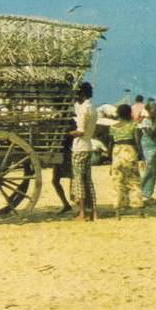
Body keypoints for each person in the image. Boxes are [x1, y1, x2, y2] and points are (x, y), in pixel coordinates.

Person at [70, 82, 99, 221]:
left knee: (79, 181)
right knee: (88, 180)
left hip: (79, 148)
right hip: (88, 146)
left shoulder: (84, 109)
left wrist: (68, 133)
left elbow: (80, 131)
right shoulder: (93, 108)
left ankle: (82, 213)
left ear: (82, 94)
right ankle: (94, 212)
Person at [109, 104, 142, 218]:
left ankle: (117, 211)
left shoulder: (113, 127)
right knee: (134, 182)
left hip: (116, 154)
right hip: (129, 153)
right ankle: (138, 210)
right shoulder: (133, 125)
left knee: (117, 183)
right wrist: (141, 157)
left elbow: (111, 144)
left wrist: (110, 162)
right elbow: (137, 142)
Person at [136, 100, 156, 206]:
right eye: (154, 109)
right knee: (149, 167)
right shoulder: (146, 121)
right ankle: (143, 191)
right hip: (148, 144)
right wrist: (155, 123)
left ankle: (148, 192)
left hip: (155, 144)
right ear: (149, 110)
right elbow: (150, 133)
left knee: (154, 169)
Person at [52, 119, 76, 214]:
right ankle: (66, 204)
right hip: (60, 153)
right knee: (55, 181)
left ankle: (75, 203)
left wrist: (65, 134)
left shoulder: (70, 122)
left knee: (74, 179)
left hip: (66, 154)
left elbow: (70, 137)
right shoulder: (60, 120)